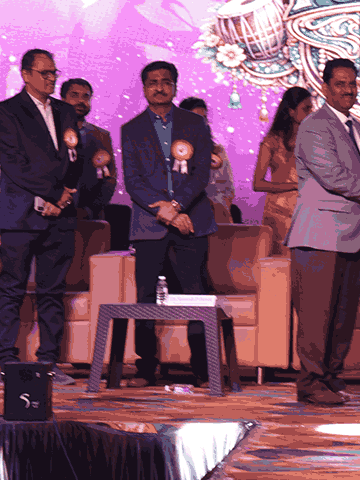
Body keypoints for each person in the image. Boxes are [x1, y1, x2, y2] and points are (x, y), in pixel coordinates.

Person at [285, 59, 360, 406]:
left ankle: (332, 380)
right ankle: (311, 384)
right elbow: (334, 177)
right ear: (325, 87)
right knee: (316, 317)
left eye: (352, 84)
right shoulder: (314, 125)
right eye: (340, 84)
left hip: (351, 234)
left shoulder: (354, 126)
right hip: (319, 234)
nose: (348, 90)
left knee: (341, 317)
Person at [121, 61, 216, 387]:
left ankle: (203, 370)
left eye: (165, 81)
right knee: (145, 296)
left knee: (195, 294)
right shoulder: (131, 129)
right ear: (144, 87)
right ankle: (146, 368)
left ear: (175, 86)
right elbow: (133, 182)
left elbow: (201, 173)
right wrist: (166, 212)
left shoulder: (195, 123)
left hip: (192, 221)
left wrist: (176, 207)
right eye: (153, 82)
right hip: (149, 225)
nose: (159, 87)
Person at [0, 49, 82, 385]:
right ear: (26, 74)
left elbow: (75, 157)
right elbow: (13, 163)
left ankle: (49, 362)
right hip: (20, 217)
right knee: (12, 289)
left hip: (59, 216)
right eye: (44, 73)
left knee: (52, 292)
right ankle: (7, 361)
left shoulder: (65, 111)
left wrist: (65, 196)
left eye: (54, 72)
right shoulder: (7, 111)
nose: (51, 78)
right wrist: (53, 193)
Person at [254, 87, 313, 256]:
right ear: (291, 111)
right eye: (306, 109)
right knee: (280, 263)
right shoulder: (271, 141)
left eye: (311, 108)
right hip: (278, 213)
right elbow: (258, 184)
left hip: (306, 211)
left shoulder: (311, 140)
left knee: (306, 262)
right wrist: (294, 185)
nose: (310, 113)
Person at [61, 77, 116, 221]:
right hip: (54, 213)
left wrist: (90, 209)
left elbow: (109, 179)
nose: (81, 101)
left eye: (86, 97)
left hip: (90, 217)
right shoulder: (51, 131)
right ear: (62, 99)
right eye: (74, 95)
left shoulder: (101, 135)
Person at [179, 97, 236, 220]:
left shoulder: (218, 151)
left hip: (216, 216)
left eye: (204, 118)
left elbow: (228, 190)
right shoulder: (174, 151)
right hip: (183, 216)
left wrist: (217, 206)